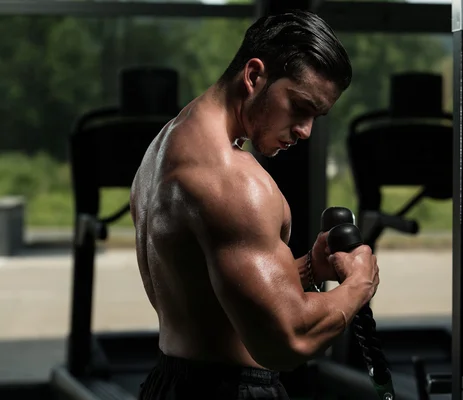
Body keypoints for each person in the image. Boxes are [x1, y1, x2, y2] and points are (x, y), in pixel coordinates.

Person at [131, 9, 380, 400]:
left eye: (316, 116)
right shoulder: (233, 180)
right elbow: (287, 341)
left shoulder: (165, 147)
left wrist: (310, 270)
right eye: (299, 107)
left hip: (170, 384)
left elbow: (216, 300)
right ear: (253, 76)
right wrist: (358, 285)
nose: (305, 131)